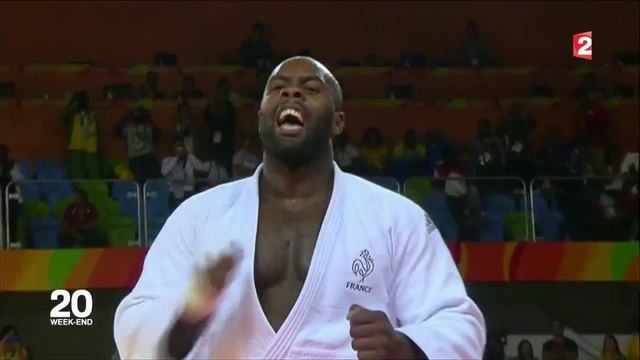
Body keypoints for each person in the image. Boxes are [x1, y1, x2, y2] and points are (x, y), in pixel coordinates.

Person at [114, 56, 485, 359]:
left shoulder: (395, 217)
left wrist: (404, 347)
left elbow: (458, 321)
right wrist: (190, 312)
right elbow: (135, 325)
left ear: (338, 122)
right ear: (260, 118)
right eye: (277, 88)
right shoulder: (198, 216)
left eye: (311, 89)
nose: (291, 92)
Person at [113, 106, 161, 185]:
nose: (139, 117)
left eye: (141, 115)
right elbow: (116, 132)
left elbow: (158, 136)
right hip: (135, 158)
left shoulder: (149, 126)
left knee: (156, 170)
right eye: (137, 115)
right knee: (139, 172)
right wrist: (126, 117)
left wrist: (149, 118)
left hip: (149, 157)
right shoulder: (129, 127)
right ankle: (141, 194)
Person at [59, 91, 101, 179]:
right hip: (80, 148)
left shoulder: (87, 115)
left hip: (85, 149)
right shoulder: (73, 115)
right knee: (80, 175)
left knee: (89, 175)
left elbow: (89, 132)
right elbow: (62, 116)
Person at [161, 140, 211, 210]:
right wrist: (176, 158)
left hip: (188, 189)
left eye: (181, 146)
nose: (179, 149)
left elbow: (201, 167)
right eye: (177, 146)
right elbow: (164, 172)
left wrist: (188, 154)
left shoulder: (190, 159)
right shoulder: (168, 160)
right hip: (174, 191)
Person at [204, 78, 237, 174]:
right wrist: (213, 105)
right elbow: (206, 120)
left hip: (227, 144)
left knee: (226, 170)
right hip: (213, 142)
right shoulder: (210, 106)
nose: (222, 92)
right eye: (221, 89)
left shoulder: (230, 108)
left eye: (225, 89)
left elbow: (232, 125)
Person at [0, 145, 23, 246]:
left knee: (12, 225)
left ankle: (12, 245)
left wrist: (9, 173)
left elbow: (19, 178)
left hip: (12, 200)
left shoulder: (13, 165)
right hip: (0, 201)